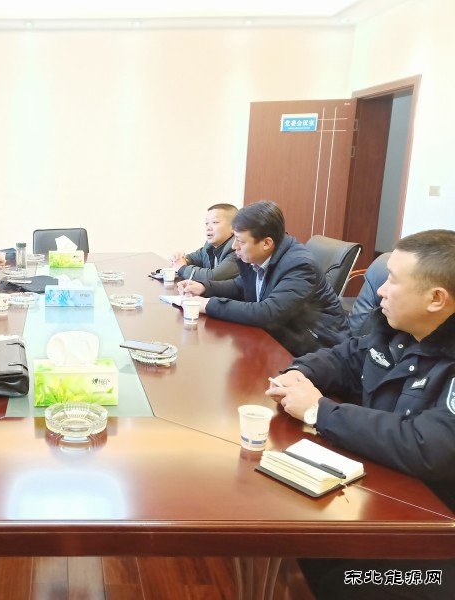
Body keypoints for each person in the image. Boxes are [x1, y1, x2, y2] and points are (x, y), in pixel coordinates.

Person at [266, 229, 455, 599]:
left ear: (436, 299)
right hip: (387, 495)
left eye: (393, 280)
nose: (380, 290)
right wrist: (298, 374)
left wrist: (320, 412)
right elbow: (344, 357)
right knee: (304, 537)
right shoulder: (397, 329)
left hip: (438, 533)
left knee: (349, 581)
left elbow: (429, 445)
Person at [177, 200, 348, 356]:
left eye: (240, 241)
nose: (235, 247)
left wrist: (208, 305)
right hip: (278, 339)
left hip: (317, 351)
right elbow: (241, 286)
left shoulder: (299, 265)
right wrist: (205, 287)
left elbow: (268, 313)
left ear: (266, 243)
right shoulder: (255, 255)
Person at [172, 203, 239, 283]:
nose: (208, 228)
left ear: (233, 227)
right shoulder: (209, 246)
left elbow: (213, 277)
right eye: (207, 223)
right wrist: (180, 259)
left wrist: (182, 268)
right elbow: (192, 258)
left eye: (215, 222)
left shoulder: (237, 250)